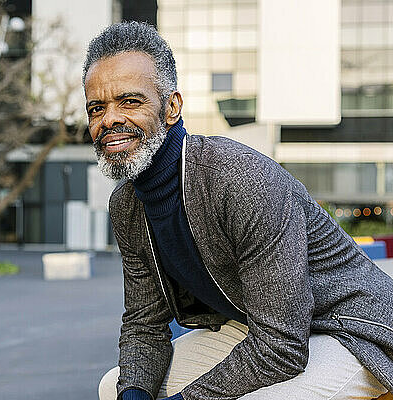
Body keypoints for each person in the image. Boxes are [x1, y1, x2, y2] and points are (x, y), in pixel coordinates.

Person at [82, 21, 393, 400]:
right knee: (114, 386)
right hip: (257, 326)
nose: (109, 119)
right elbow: (144, 325)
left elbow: (282, 348)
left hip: (352, 332)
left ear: (172, 107)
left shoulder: (240, 180)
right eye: (97, 108)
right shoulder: (127, 204)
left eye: (130, 101)